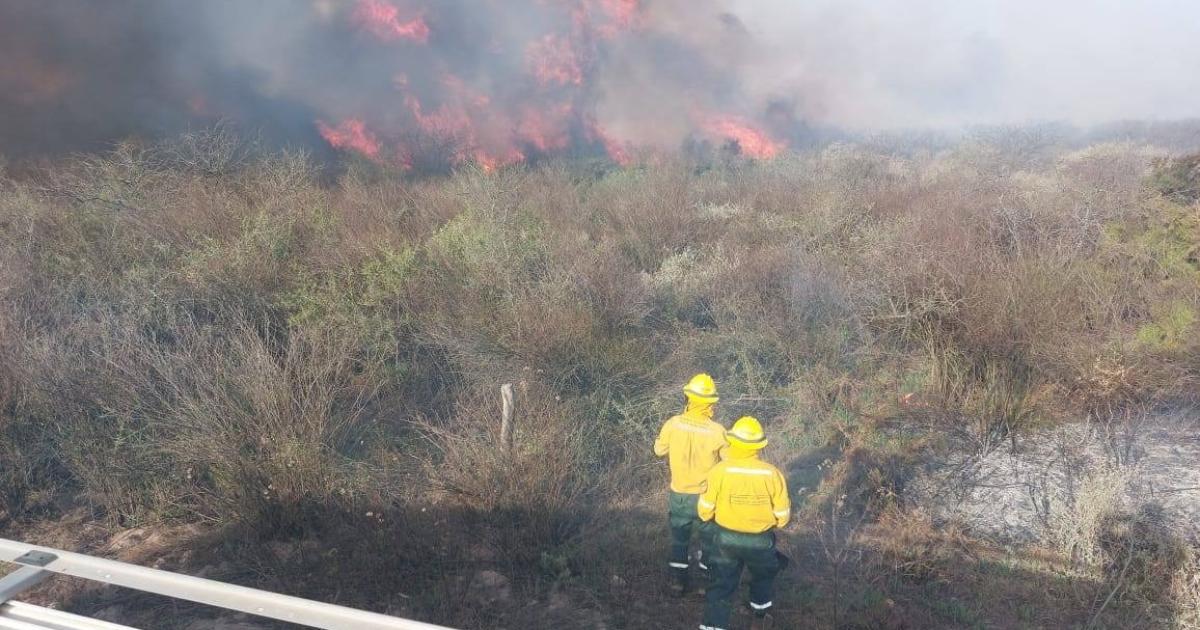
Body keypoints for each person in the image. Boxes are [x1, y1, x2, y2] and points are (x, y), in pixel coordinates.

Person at [698, 417, 791, 630]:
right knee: (763, 577)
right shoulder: (772, 474)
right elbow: (783, 516)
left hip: (725, 539)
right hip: (760, 541)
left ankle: (713, 626)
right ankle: (759, 618)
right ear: (759, 445)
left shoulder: (719, 471)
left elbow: (704, 510)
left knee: (721, 584)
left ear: (733, 442)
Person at [654, 373, 727, 595]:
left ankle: (678, 582)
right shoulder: (717, 431)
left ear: (688, 397)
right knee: (709, 541)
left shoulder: (672, 424)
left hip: (680, 495)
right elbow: (729, 461)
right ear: (711, 403)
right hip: (706, 496)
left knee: (679, 539)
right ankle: (706, 584)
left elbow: (659, 450)